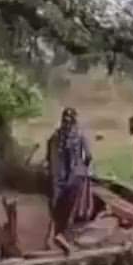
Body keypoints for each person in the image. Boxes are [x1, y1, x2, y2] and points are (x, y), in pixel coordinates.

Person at [46, 107, 93, 254]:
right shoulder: (79, 135)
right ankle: (65, 237)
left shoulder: (55, 136)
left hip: (59, 177)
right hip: (73, 177)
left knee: (57, 207)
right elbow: (89, 156)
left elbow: (49, 157)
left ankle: (57, 236)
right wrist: (83, 169)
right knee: (71, 208)